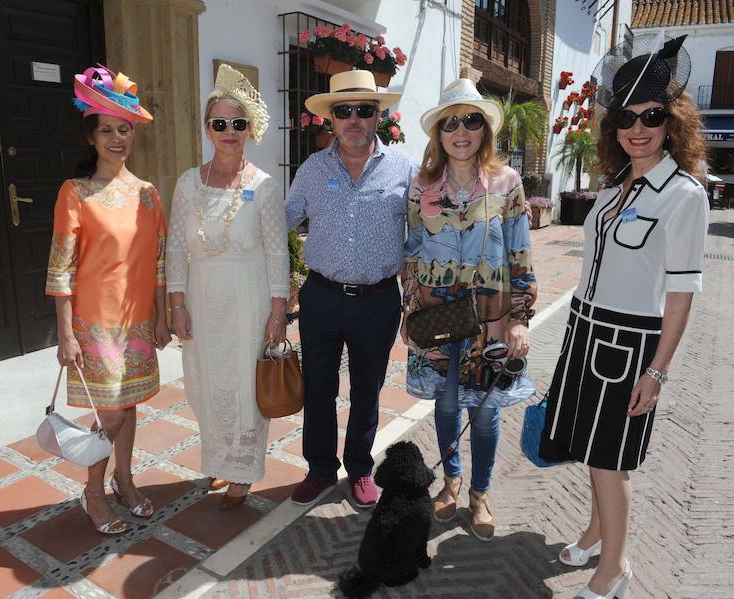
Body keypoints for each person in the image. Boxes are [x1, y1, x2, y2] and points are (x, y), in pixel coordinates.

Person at [540, 34, 707, 599]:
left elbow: (681, 295)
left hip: (629, 344)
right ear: (614, 127)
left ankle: (615, 567)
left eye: (651, 116)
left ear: (671, 123)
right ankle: (594, 533)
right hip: (584, 329)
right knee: (591, 448)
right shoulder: (615, 190)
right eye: (626, 118)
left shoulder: (684, 196)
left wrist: (657, 371)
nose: (638, 128)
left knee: (611, 460)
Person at [401, 78, 536, 540]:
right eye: (450, 121)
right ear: (438, 133)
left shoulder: (507, 182)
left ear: (484, 130)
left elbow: (520, 254)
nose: (461, 130)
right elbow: (413, 254)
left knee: (484, 410)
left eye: (472, 120)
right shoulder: (421, 186)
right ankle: (451, 481)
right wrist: (410, 312)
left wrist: (519, 317)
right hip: (438, 317)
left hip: (489, 320)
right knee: (444, 404)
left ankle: (479, 492)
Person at [47, 65, 169, 534]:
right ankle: (93, 492)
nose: (117, 138)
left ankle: (125, 479)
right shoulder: (75, 193)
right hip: (93, 325)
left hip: (138, 322)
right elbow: (60, 268)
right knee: (111, 412)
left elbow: (158, 264)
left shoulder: (148, 194)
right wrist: (65, 332)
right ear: (92, 138)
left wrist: (160, 317)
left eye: (124, 129)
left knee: (131, 403)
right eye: (107, 130)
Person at [286, 70, 417, 509]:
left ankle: (359, 468)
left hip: (379, 300)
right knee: (318, 386)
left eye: (364, 110)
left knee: (368, 387)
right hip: (321, 296)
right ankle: (320, 469)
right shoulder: (311, 169)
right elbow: (279, 223)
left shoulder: (403, 169)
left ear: (378, 115)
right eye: (345, 111)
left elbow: (421, 233)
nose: (354, 119)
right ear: (331, 118)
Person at [166, 64, 289, 510]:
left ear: (249, 128)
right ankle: (220, 458)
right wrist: (176, 303)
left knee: (244, 385)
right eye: (220, 123)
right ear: (207, 129)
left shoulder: (264, 186)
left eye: (238, 123)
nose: (229, 131)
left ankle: (243, 469)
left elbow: (279, 253)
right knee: (205, 385)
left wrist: (278, 313)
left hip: (249, 297)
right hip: (202, 296)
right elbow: (176, 248)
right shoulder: (186, 183)